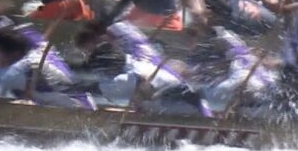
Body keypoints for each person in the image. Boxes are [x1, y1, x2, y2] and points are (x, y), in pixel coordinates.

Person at [75, 21, 211, 116]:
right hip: (185, 94)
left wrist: (138, 107)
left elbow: (142, 83)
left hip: (181, 100)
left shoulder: (128, 72)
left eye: (87, 50)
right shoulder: (133, 60)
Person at [0, 28, 96, 109]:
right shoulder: (39, 48)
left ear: (14, 53)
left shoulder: (18, 70)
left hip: (76, 110)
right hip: (88, 104)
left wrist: (27, 99)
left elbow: (32, 68)